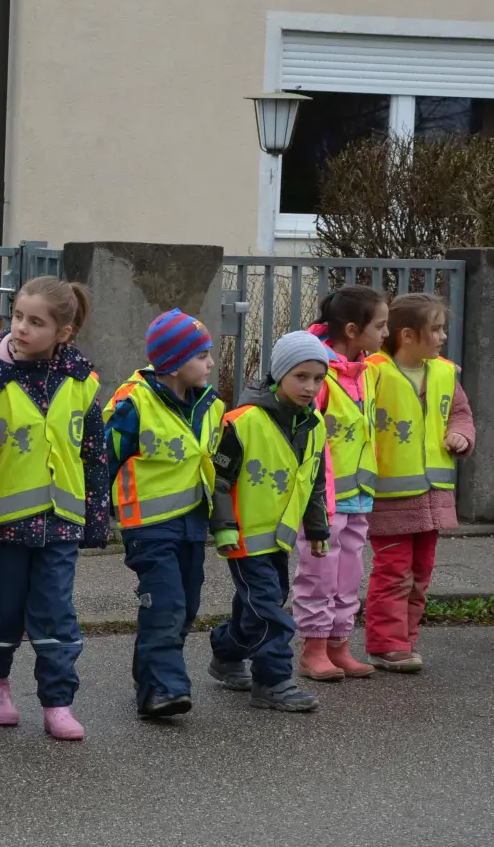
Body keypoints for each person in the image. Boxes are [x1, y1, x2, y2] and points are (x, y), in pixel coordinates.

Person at [0, 277, 107, 741]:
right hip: (3, 523)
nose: (21, 328)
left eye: (36, 322)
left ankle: (58, 701)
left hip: (61, 523)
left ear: (64, 332)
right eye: (17, 317)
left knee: (55, 612)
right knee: (3, 608)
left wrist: (95, 516)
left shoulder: (83, 381)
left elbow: (94, 452)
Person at [104, 309, 224, 719]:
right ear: (173, 363)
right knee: (166, 605)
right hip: (148, 528)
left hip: (192, 524)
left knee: (186, 606)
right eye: (202, 355)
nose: (210, 363)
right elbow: (105, 460)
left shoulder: (210, 405)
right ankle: (164, 690)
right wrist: (93, 516)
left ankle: (150, 674)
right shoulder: (132, 405)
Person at [207, 330, 330, 713]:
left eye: (318, 378)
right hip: (244, 538)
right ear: (278, 375)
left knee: (258, 607)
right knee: (270, 611)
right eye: (301, 376)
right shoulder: (241, 422)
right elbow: (220, 480)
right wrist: (224, 528)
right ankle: (273, 680)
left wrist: (318, 528)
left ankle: (226, 654)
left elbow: (312, 483)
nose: (311, 387)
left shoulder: (314, 425)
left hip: (280, 538)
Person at [365, 293, 475, 673]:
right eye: (436, 329)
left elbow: (460, 413)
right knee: (393, 572)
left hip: (432, 498)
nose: (443, 336)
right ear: (408, 335)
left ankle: (405, 642)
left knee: (420, 576)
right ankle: (386, 645)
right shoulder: (372, 372)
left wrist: (462, 436)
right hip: (389, 496)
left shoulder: (443, 373)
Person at [294, 286, 389, 681]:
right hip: (324, 499)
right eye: (380, 325)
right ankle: (313, 649)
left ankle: (339, 645)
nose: (387, 333)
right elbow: (309, 439)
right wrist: (321, 497)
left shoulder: (365, 370)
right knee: (319, 571)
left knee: (348, 572)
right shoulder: (321, 373)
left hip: (358, 497)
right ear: (352, 329)